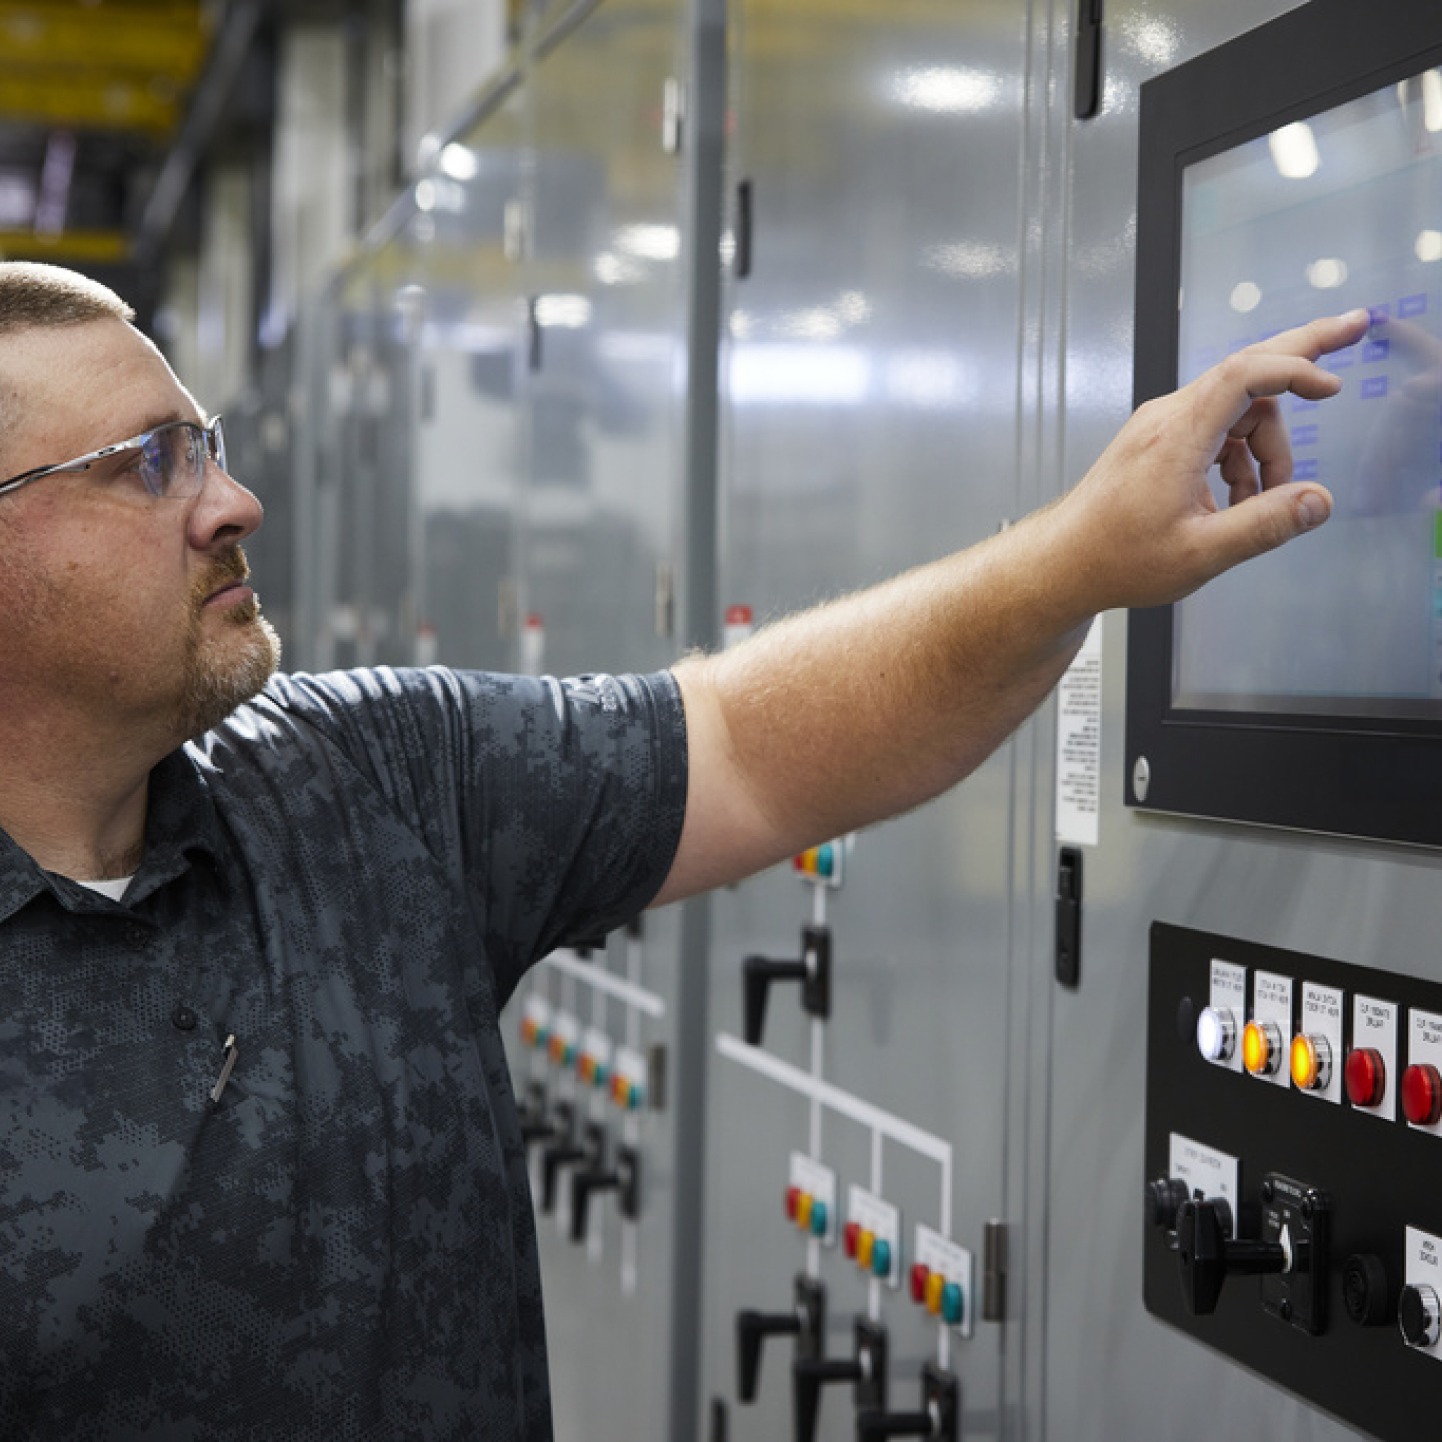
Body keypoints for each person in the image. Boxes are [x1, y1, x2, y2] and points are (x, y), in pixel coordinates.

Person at [0, 259, 1368, 1439]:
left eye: (209, 442)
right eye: (151, 462)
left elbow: (757, 740)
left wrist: (1078, 556)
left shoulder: (370, 785)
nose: (231, 501)